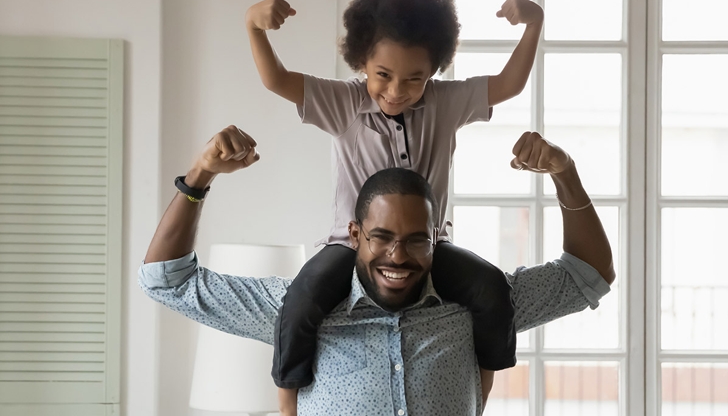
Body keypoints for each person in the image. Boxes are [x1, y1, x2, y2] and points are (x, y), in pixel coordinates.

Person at [139, 125, 615, 416]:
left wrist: (564, 171)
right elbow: (167, 279)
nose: (397, 256)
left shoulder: (475, 305)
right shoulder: (298, 308)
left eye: (415, 240)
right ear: (354, 236)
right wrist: (200, 176)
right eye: (382, 237)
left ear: (436, 240)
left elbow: (589, 273)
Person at [245, 0, 546, 411]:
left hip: (429, 247)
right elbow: (276, 79)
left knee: (491, 289)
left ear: (434, 71)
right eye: (383, 75)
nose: (396, 90)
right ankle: (287, 404)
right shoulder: (343, 103)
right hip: (351, 248)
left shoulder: (446, 103)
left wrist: (534, 24)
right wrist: (253, 27)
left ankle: (478, 398)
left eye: (414, 79)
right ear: (362, 60)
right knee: (300, 301)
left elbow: (508, 85)